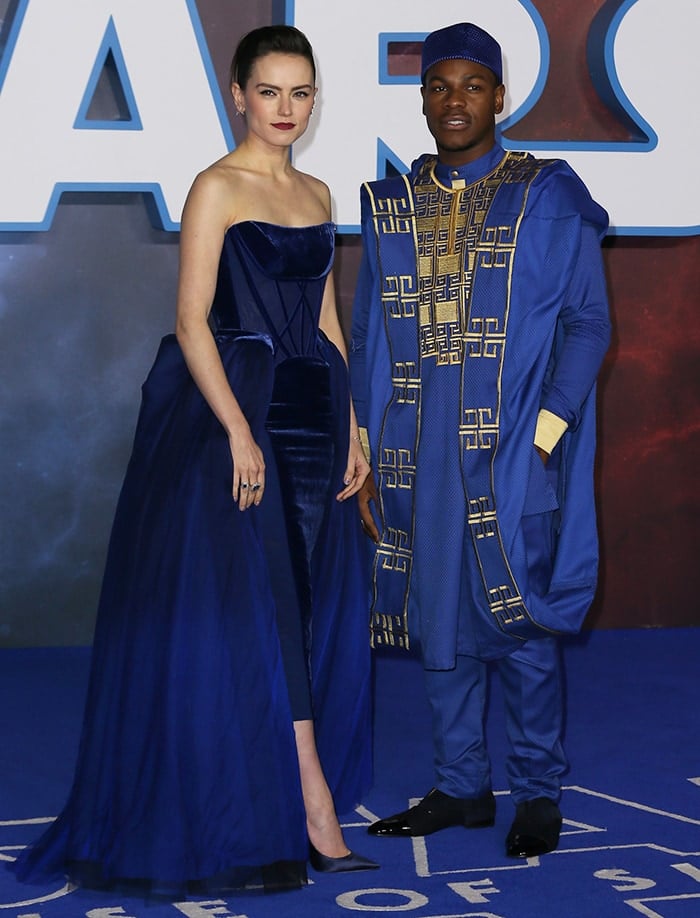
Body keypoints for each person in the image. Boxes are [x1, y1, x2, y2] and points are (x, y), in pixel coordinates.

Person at [12, 25, 377, 897]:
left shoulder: (319, 190)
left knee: (302, 589)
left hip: (314, 413)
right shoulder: (216, 187)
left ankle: (299, 794)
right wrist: (238, 431)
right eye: (271, 92)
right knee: (270, 607)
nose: (286, 109)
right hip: (237, 409)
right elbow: (190, 318)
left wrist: (355, 421)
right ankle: (313, 804)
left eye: (302, 93)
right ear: (239, 94)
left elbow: (326, 319)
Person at [350, 21, 611, 857]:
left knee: (519, 615)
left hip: (511, 449)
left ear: (500, 97)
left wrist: (543, 432)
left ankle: (537, 789)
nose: (453, 101)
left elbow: (587, 323)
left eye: (471, 86)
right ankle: (461, 786)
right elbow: (369, 339)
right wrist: (369, 457)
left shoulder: (549, 194)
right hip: (415, 450)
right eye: (437, 86)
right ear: (422, 99)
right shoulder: (391, 206)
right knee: (439, 619)